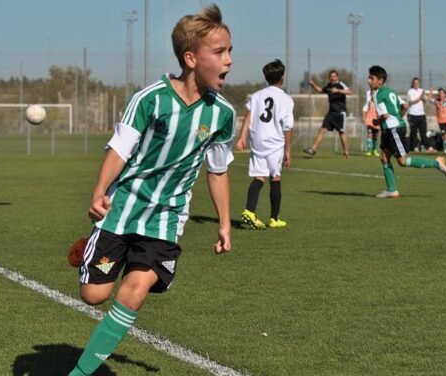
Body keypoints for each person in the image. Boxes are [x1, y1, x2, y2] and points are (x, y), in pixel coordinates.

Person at [68, 5, 235, 375]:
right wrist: (99, 191)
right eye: (220, 52)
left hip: (167, 217)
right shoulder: (150, 99)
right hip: (123, 207)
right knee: (94, 295)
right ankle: (91, 251)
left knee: (135, 289)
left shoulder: (222, 114)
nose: (229, 60)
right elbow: (119, 149)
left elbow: (218, 171)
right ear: (191, 58)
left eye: (229, 51)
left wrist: (225, 222)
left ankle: (79, 373)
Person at [367, 65, 446, 199]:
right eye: (369, 78)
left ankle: (437, 164)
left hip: (393, 129)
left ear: (380, 81)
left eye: (371, 78)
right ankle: (392, 190)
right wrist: (398, 116)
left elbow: (384, 116)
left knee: (402, 161)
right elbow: (405, 106)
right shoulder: (390, 91)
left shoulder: (377, 94)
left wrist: (376, 122)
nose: (368, 80)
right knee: (384, 157)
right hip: (393, 128)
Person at [236, 59, 294, 229]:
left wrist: (242, 137)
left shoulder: (257, 96)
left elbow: (248, 116)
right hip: (275, 143)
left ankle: (250, 211)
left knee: (259, 177)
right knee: (275, 177)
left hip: (258, 141)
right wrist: (288, 151)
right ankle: (274, 218)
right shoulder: (285, 99)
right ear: (282, 78)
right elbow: (288, 126)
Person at [303, 70, 351, 158]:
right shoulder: (329, 85)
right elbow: (321, 90)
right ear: (329, 78)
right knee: (322, 130)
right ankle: (313, 149)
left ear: (337, 77)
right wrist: (312, 84)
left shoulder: (341, 84)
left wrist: (338, 91)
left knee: (341, 132)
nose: (332, 78)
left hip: (340, 113)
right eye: (331, 76)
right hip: (331, 113)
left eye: (334, 76)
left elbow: (349, 92)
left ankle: (346, 152)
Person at [406, 77, 435, 153]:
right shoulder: (410, 91)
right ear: (413, 83)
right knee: (413, 132)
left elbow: (426, 100)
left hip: (421, 114)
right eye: (415, 83)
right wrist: (420, 98)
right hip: (412, 114)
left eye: (417, 83)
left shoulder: (421, 91)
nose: (416, 84)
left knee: (423, 132)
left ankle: (427, 147)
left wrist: (430, 93)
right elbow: (411, 102)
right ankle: (415, 147)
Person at [362, 88, 380, 156]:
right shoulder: (369, 103)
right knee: (369, 134)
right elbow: (364, 109)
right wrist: (364, 117)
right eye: (372, 94)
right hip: (369, 120)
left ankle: (374, 150)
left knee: (376, 135)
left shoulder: (378, 103)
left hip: (377, 121)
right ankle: (369, 150)